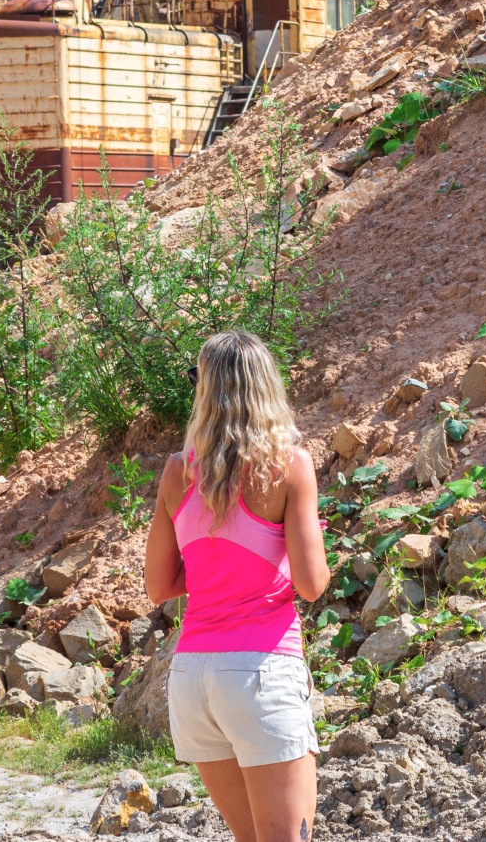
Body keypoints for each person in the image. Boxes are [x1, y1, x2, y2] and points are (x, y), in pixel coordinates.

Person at [144, 331, 331, 842]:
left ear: (203, 392)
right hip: (260, 672)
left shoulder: (179, 471)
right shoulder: (289, 466)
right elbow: (313, 584)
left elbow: (158, 585)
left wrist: (215, 568)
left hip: (193, 678)